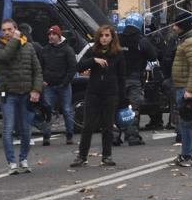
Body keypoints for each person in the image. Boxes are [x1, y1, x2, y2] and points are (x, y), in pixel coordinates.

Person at [0, 19, 43, 174]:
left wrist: (36, 90)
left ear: (16, 29)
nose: (7, 32)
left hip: (26, 94)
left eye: (10, 29)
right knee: (8, 128)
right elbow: (6, 56)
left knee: (26, 129)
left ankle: (23, 159)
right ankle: (11, 162)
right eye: (4, 30)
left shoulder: (28, 47)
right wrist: (15, 40)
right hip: (8, 94)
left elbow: (37, 70)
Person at [71, 24, 125, 168]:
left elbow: (121, 77)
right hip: (93, 92)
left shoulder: (118, 53)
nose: (104, 38)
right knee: (88, 126)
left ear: (112, 37)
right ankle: (82, 156)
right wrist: (93, 60)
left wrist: (123, 99)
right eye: (101, 35)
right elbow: (79, 66)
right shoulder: (92, 50)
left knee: (107, 126)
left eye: (107, 35)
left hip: (110, 93)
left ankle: (107, 156)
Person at [118, 14, 157, 144]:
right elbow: (153, 56)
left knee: (117, 107)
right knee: (133, 108)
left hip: (118, 78)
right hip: (135, 78)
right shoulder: (141, 40)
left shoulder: (117, 39)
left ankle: (114, 136)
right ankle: (132, 135)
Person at [171, 13, 192, 167]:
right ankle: (186, 154)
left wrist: (190, 90)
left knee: (191, 122)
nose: (173, 27)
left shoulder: (191, 43)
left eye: (176, 24)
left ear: (182, 26)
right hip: (183, 86)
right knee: (185, 122)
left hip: (188, 87)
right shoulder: (185, 41)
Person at [39, 25, 78, 146]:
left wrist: (65, 82)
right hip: (48, 85)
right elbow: (40, 66)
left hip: (64, 85)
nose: (51, 36)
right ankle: (46, 135)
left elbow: (72, 68)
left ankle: (69, 134)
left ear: (59, 35)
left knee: (67, 110)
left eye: (53, 34)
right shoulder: (45, 50)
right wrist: (43, 80)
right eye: (49, 34)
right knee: (47, 110)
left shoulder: (67, 50)